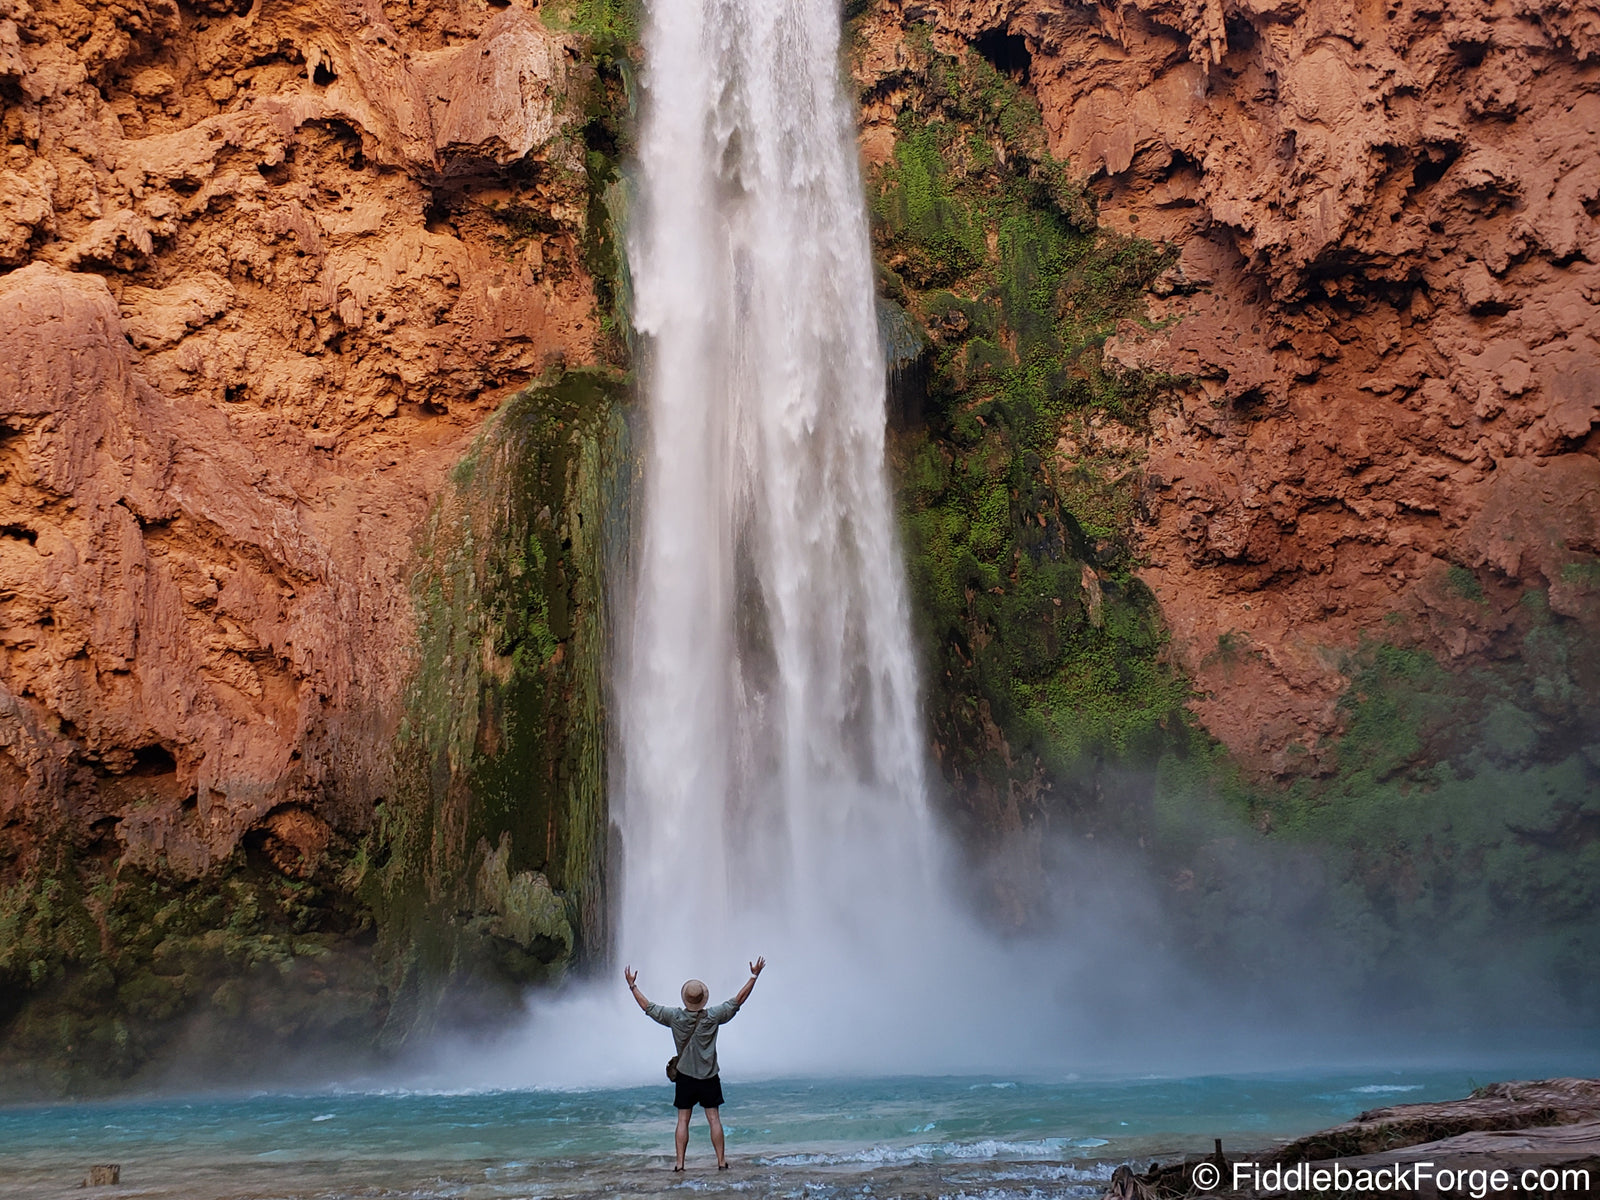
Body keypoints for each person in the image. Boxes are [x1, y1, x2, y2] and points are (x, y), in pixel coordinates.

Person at [625, 956, 765, 1171]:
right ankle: (720, 1161)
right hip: (709, 1075)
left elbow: (648, 1007)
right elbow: (739, 999)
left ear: (685, 999)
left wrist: (632, 986)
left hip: (685, 1077)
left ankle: (680, 1164)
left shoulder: (674, 1017)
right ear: (703, 999)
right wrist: (754, 976)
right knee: (714, 1119)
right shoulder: (713, 1016)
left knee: (683, 1120)